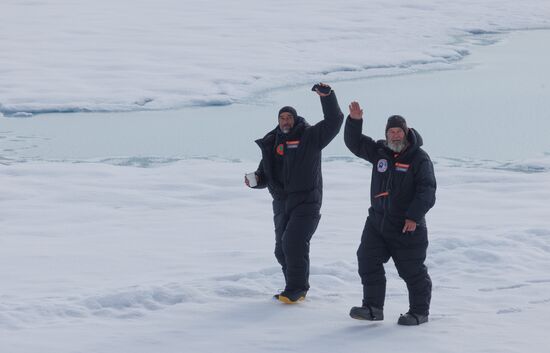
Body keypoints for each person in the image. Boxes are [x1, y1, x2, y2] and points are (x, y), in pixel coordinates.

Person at [245, 83, 343, 304]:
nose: (286, 121)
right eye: (282, 118)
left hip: (307, 201)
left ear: (295, 119)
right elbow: (265, 174)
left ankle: (296, 289)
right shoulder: (273, 142)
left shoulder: (309, 137)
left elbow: (334, 122)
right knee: (281, 250)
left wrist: (327, 97)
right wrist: (255, 180)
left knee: (293, 243)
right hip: (281, 203)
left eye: (289, 117)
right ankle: (293, 286)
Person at [344, 101, 436, 325]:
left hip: (406, 225)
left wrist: (413, 216)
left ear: (406, 133)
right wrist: (355, 121)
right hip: (377, 222)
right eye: (390, 132)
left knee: (411, 271)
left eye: (398, 132)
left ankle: (419, 312)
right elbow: (355, 143)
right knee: (367, 260)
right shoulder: (380, 153)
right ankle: (373, 308)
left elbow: (427, 190)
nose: (394, 136)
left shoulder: (419, 158)